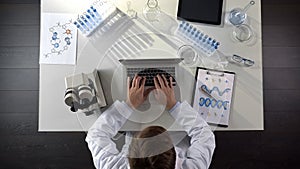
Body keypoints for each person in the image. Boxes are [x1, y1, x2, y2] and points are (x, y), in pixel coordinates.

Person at [86, 74, 215, 169]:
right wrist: (174, 106)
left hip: (137, 119)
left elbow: (95, 135)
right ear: (174, 153)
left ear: (129, 155)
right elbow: (205, 135)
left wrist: (128, 105)